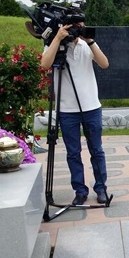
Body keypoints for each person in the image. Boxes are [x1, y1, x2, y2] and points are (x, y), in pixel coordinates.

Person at [41, 23, 110, 205]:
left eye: (80, 26)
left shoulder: (87, 45)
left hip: (91, 107)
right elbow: (45, 64)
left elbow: (104, 63)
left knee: (97, 150)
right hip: (66, 110)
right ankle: (80, 190)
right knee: (73, 153)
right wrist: (57, 38)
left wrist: (90, 41)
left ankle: (101, 187)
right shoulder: (55, 44)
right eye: (73, 27)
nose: (76, 30)